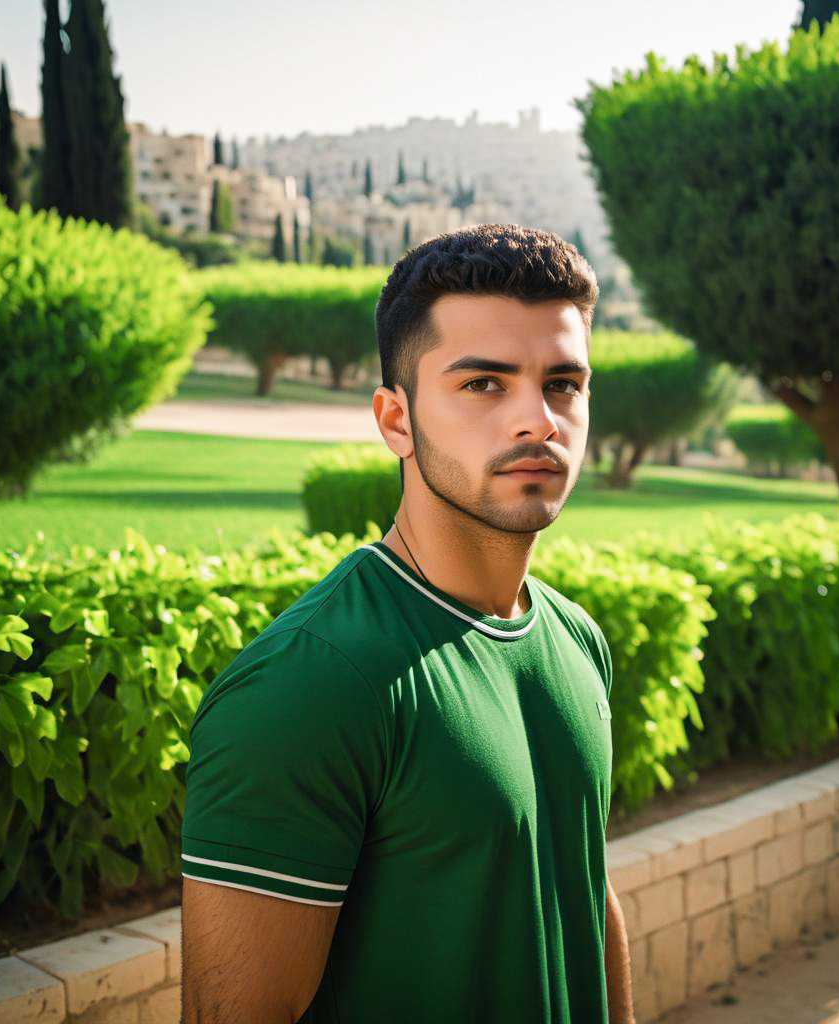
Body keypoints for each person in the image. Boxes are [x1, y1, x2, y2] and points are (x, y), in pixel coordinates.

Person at [180, 223, 635, 1023]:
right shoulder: (312, 682)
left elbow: (584, 892)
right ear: (395, 420)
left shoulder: (575, 640)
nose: (540, 420)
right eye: (485, 384)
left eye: (563, 383)